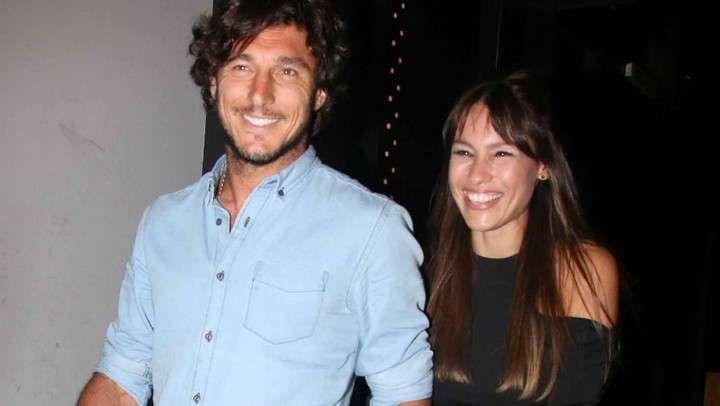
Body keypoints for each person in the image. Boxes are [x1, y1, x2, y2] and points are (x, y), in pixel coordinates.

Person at [77, 1, 432, 404]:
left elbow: (403, 395)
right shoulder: (163, 221)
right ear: (213, 81)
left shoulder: (372, 229)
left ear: (319, 92)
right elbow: (123, 373)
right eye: (242, 67)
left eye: (286, 71)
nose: (260, 94)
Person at [427, 72, 619, 405]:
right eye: (464, 153)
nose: (477, 175)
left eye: (501, 153)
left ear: (542, 166)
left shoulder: (581, 270)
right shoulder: (422, 273)